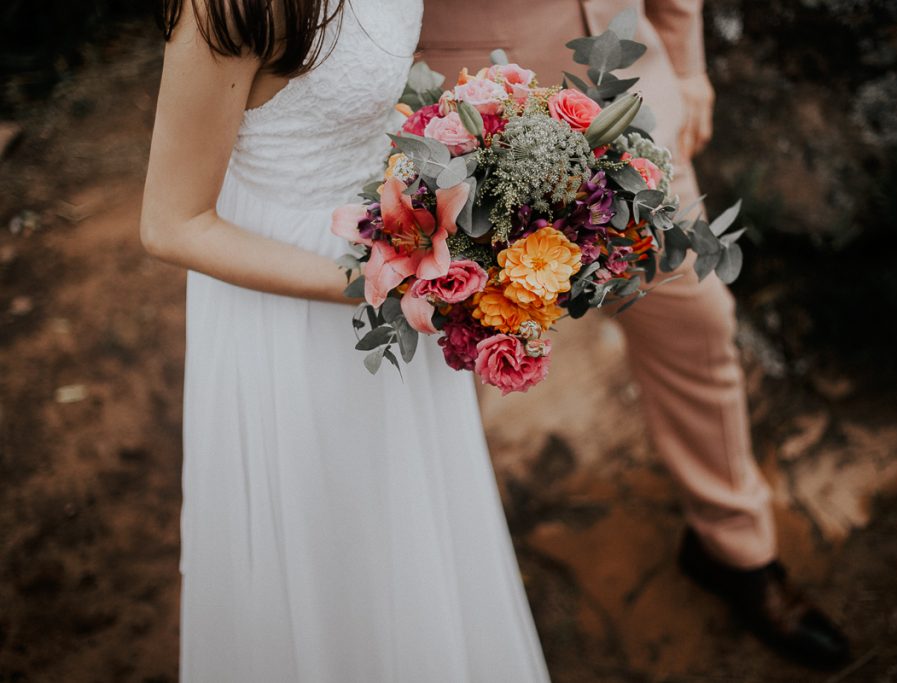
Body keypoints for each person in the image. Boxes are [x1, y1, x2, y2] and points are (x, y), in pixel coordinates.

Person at [418, 0, 851, 669]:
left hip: (639, 109)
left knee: (700, 324)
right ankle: (454, 581)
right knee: (447, 375)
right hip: (477, 147)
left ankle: (736, 550)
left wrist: (687, 65)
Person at [141, 1, 550, 680]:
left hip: (393, 243)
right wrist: (379, 280)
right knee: (327, 538)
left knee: (406, 527)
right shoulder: (229, 9)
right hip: (294, 294)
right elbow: (170, 222)